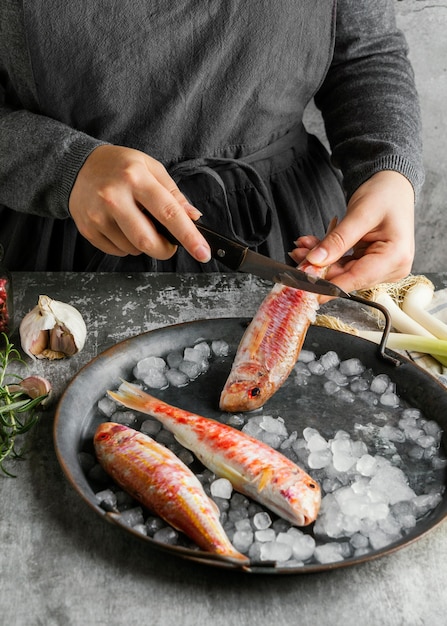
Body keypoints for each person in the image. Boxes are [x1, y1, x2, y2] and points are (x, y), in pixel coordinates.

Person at [0, 1, 424, 295]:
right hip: (62, 244)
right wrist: (62, 166)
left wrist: (389, 172)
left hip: (289, 235)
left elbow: (365, 53)